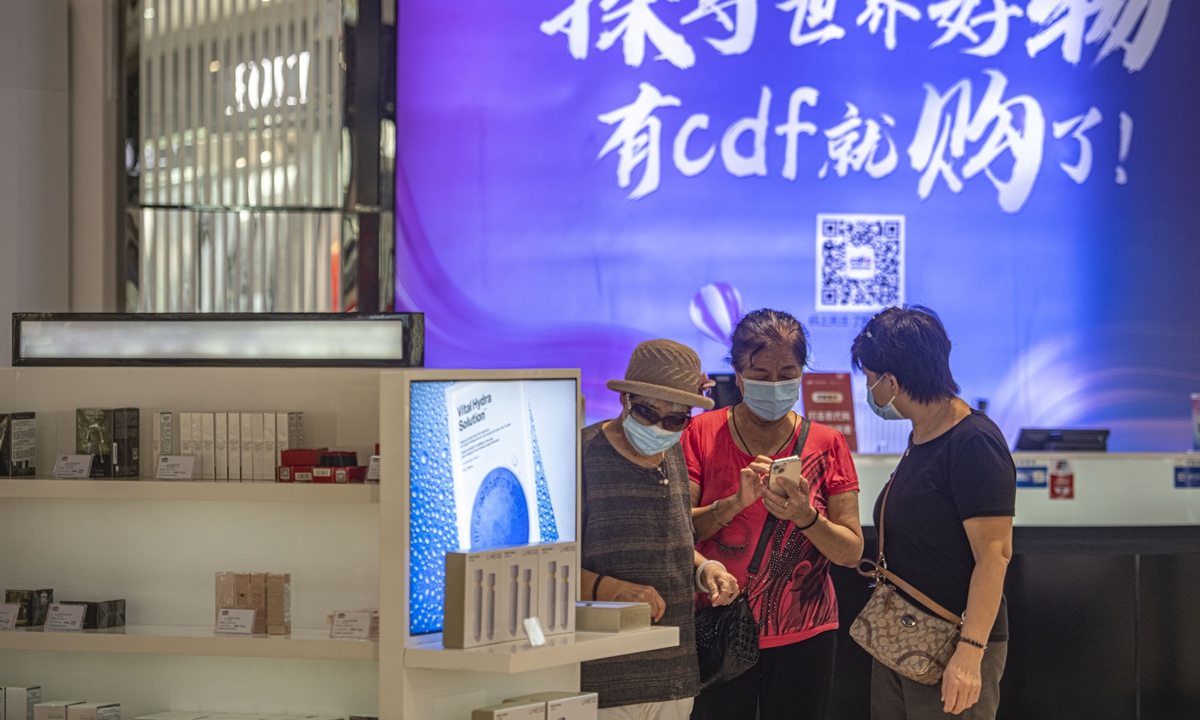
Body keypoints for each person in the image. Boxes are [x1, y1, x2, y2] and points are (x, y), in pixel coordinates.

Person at [686, 309, 864, 720]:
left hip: (806, 635)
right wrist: (732, 504)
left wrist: (806, 517)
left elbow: (851, 552)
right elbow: (680, 531)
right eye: (761, 373)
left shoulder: (827, 444)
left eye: (787, 372)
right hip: (718, 629)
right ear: (737, 371)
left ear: (802, 370)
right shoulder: (701, 434)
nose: (774, 384)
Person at [850, 306, 1015, 719]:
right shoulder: (921, 435)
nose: (869, 390)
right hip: (902, 637)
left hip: (951, 645)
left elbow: (994, 555)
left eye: (870, 380)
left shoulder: (974, 442)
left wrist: (970, 652)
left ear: (891, 381)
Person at [580, 339, 741, 720]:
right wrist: (614, 590)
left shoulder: (675, 454)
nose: (659, 427)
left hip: (675, 675)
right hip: (601, 678)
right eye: (647, 413)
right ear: (626, 400)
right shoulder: (581, 455)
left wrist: (705, 571)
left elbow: (671, 540)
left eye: (674, 420)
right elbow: (546, 568)